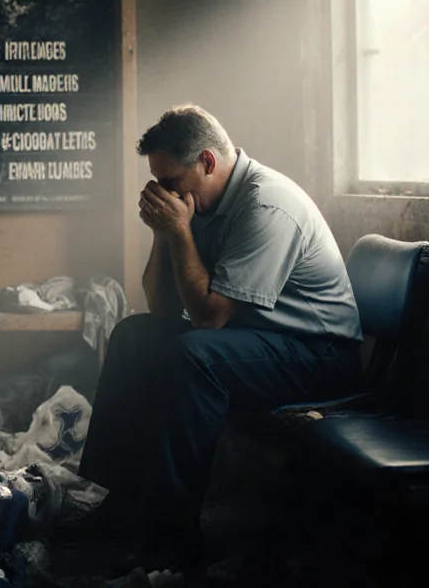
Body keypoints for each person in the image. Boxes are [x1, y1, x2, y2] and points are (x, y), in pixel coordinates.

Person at [73, 104, 363, 569]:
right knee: (134, 336)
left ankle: (172, 536)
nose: (165, 194)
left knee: (194, 356)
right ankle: (122, 503)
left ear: (207, 162)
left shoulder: (266, 205)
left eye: (172, 183)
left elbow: (208, 319)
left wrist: (179, 234)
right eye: (158, 184)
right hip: (251, 343)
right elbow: (162, 309)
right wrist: (162, 235)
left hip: (319, 354)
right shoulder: (201, 203)